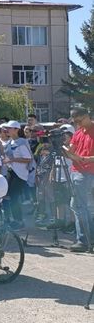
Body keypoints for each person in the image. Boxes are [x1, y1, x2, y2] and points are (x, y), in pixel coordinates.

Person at [62, 107, 94, 252]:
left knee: (79, 206)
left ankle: (83, 240)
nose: (78, 124)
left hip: (88, 172)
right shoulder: (78, 132)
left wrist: (87, 159)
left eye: (79, 121)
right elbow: (71, 150)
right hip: (76, 171)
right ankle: (87, 238)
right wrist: (65, 150)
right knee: (81, 206)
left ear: (86, 116)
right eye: (75, 122)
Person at [0, 120, 33, 230]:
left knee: (14, 197)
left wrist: (12, 160)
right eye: (6, 128)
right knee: (7, 196)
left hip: (20, 174)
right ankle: (10, 219)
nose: (7, 130)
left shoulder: (21, 142)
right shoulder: (10, 142)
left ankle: (19, 221)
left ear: (16, 130)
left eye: (9, 128)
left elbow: (28, 159)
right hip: (11, 172)